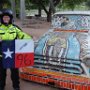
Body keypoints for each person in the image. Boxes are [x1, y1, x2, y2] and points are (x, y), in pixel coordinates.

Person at [0, 9, 32, 90]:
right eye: (4, 17)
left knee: (14, 73)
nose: (6, 19)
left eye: (8, 17)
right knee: (1, 73)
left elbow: (22, 35)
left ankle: (16, 86)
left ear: (10, 18)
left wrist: (30, 39)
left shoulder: (14, 28)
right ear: (1, 18)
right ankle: (1, 86)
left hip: (13, 54)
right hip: (1, 55)